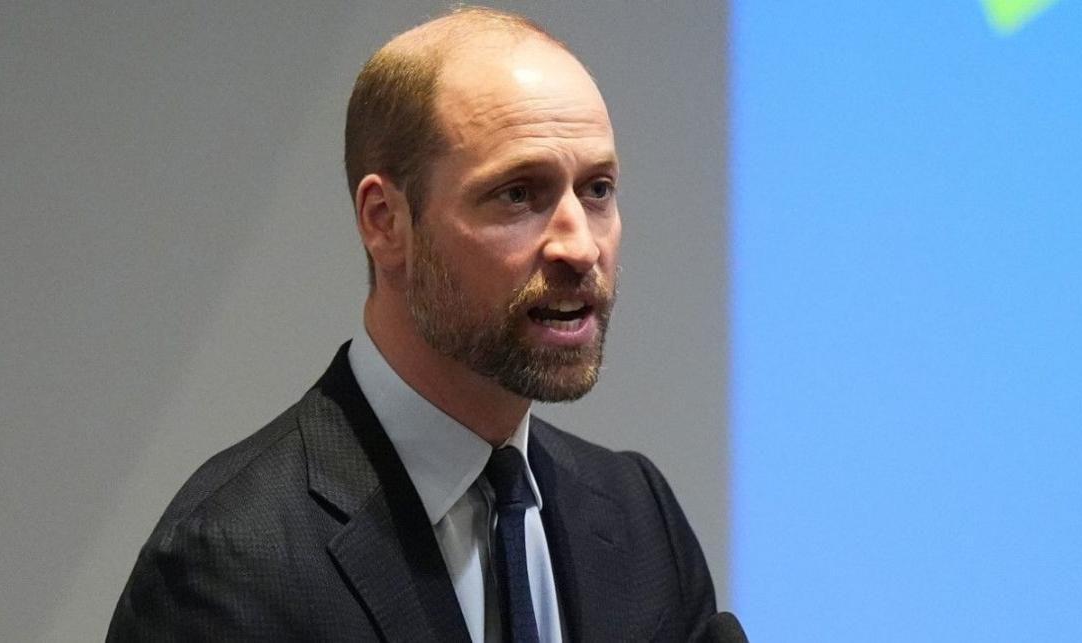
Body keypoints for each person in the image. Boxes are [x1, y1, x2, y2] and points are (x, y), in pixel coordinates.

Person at [109, 7, 718, 641]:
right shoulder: (228, 561)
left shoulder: (640, 516)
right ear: (384, 221)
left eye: (596, 191)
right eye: (518, 194)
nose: (581, 247)